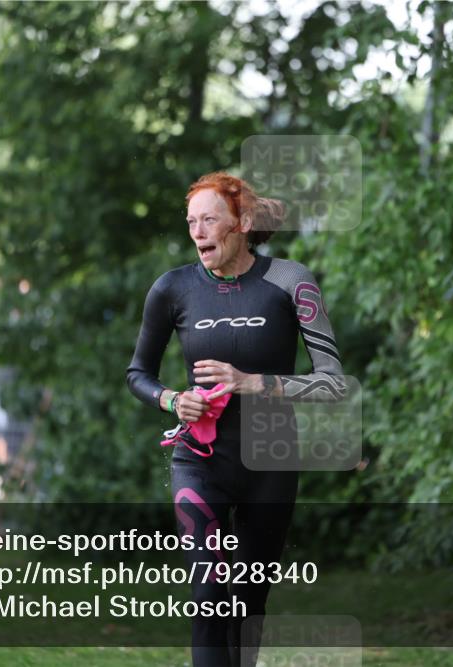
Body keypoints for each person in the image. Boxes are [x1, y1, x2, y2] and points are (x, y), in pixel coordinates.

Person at [126, 172, 346, 667]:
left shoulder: (290, 281)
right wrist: (171, 400)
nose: (198, 231)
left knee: (248, 605)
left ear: (242, 223)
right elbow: (138, 373)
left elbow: (333, 381)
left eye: (209, 220)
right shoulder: (172, 289)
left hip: (271, 459)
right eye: (191, 222)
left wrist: (255, 382)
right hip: (199, 459)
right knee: (208, 598)